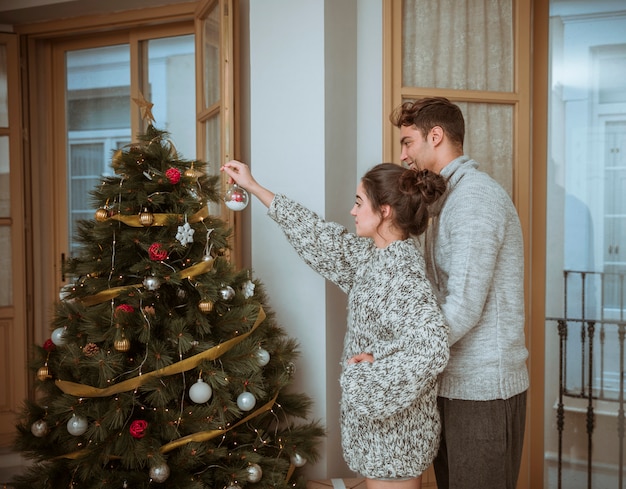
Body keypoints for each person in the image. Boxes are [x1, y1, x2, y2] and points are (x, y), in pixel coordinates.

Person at [221, 160, 449, 489]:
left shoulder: (401, 274)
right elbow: (321, 239)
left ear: (384, 211)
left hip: (395, 440)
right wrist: (255, 187)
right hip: (381, 437)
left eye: (359, 202)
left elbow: (431, 347)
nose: (353, 211)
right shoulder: (376, 255)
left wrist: (373, 365)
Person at [390, 97, 529, 489]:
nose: (403, 155)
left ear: (435, 136)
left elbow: (463, 306)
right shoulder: (445, 199)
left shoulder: (474, 198)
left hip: (483, 391)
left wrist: (404, 358)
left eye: (407, 142)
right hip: (451, 382)